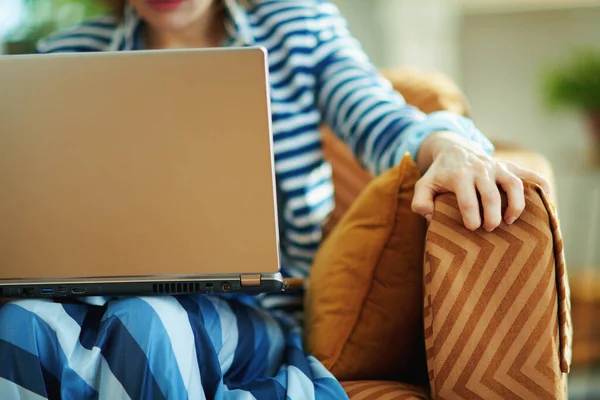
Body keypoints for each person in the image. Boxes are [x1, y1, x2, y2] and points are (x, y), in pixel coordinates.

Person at [0, 0, 551, 399]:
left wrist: (450, 145)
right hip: (80, 301)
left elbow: (383, 121)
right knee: (17, 325)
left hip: (251, 307)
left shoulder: (298, 27)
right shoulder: (68, 53)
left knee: (149, 322)